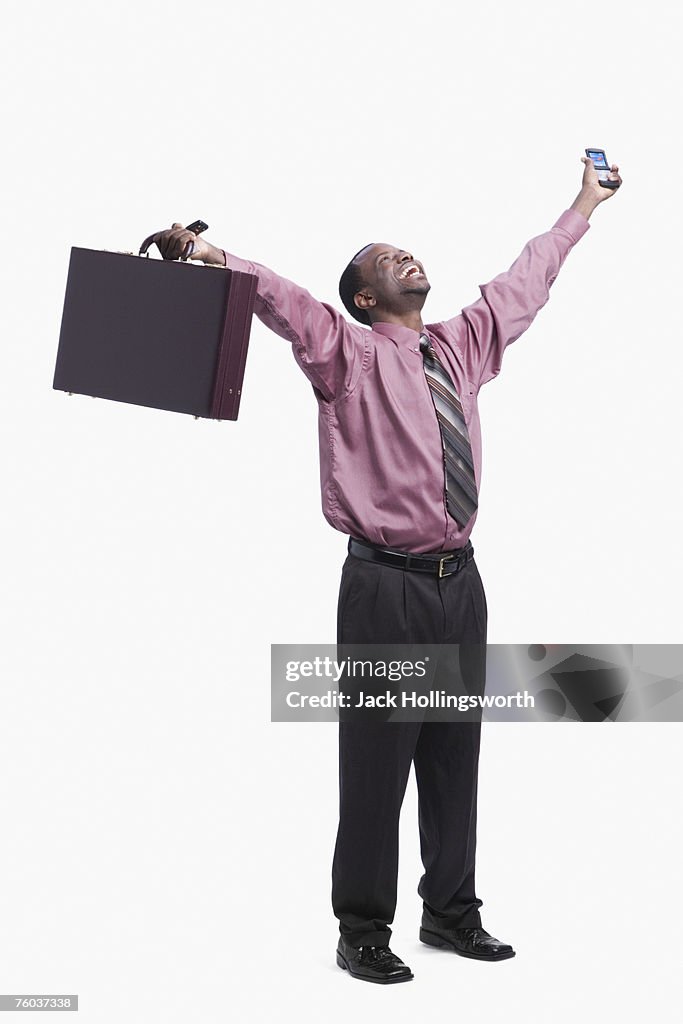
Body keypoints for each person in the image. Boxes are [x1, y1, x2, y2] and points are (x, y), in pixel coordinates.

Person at [140, 154, 622, 985]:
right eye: (383, 258)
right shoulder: (346, 355)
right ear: (365, 298)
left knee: (451, 755)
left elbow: (526, 278)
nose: (404, 257)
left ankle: (451, 913)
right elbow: (286, 305)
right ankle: (362, 927)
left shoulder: (462, 347)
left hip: (459, 583)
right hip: (384, 586)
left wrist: (583, 203)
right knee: (375, 763)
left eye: (408, 250)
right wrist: (215, 258)